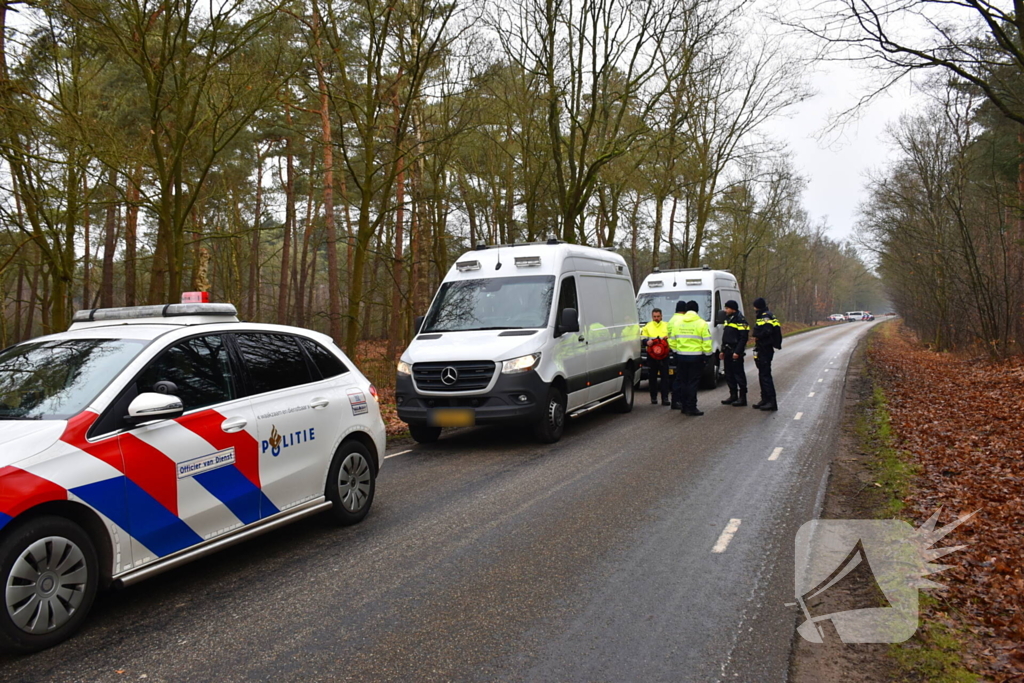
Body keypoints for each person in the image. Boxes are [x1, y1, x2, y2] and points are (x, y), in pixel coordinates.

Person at [668, 299, 712, 416]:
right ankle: (691, 407)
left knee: (683, 382)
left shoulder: (677, 323)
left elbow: (671, 341)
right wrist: (707, 356)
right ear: (697, 310)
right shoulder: (701, 323)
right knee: (693, 383)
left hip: (681, 357)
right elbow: (707, 342)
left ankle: (683, 406)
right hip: (696, 358)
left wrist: (677, 352)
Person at [751, 297, 782, 411]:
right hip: (763, 348)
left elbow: (767, 331)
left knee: (765, 375)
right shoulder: (766, 315)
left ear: (757, 306)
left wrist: (757, 335)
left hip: (765, 348)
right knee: (762, 374)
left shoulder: (765, 316)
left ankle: (771, 401)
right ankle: (764, 399)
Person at [719, 300, 749, 406]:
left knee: (738, 374)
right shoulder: (728, 319)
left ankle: (742, 398)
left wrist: (738, 351)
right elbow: (726, 336)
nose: (725, 310)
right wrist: (722, 350)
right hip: (727, 350)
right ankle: (733, 395)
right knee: (729, 374)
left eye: (727, 308)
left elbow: (743, 338)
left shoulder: (740, 320)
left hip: (735, 351)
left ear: (733, 309)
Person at [640, 308, 671, 405]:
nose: (656, 318)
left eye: (658, 316)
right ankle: (653, 398)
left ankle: (665, 398)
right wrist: (646, 342)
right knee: (652, 377)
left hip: (664, 355)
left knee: (665, 378)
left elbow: (672, 336)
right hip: (651, 355)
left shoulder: (667, 325)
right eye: (654, 316)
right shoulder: (647, 326)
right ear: (652, 316)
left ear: (661, 316)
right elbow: (642, 338)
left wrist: (667, 338)